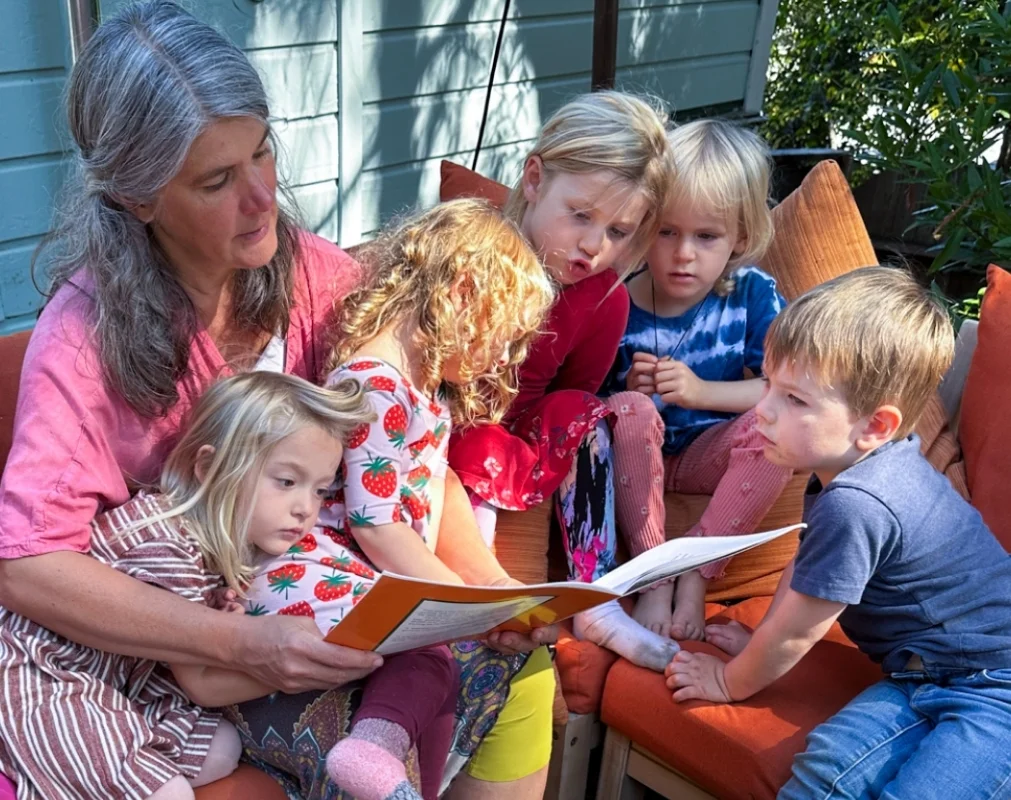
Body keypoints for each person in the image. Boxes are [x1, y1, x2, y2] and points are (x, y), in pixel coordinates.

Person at [0, 3, 555, 798]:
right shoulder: (82, 339)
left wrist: (482, 594)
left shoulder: (322, 279)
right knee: (369, 743)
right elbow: (28, 564)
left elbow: (403, 455)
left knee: (522, 667)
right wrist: (238, 645)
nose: (263, 197)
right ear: (136, 199)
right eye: (218, 180)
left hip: (327, 595)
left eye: (262, 152)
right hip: (199, 643)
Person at [244, 200, 555, 799]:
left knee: (440, 660)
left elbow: (422, 509)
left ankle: (392, 771)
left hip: (348, 571)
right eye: (503, 335)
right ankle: (373, 756)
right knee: (433, 645)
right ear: (463, 294)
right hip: (309, 572)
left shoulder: (414, 388)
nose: (502, 359)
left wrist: (485, 598)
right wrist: (462, 604)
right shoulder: (375, 385)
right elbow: (375, 524)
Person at [667, 267, 1011, 798]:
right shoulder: (852, 471)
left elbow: (800, 629)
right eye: (769, 386)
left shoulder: (860, 501)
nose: (763, 411)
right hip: (921, 676)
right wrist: (759, 640)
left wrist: (727, 682)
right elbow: (808, 577)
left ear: (874, 425)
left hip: (997, 689)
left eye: (794, 400)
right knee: (823, 778)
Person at [0, 371, 373, 799]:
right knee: (169, 791)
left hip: (117, 682)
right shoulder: (165, 543)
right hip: (41, 681)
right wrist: (307, 668)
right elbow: (202, 685)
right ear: (209, 467)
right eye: (286, 482)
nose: (305, 508)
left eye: (321, 490)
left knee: (222, 748)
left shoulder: (208, 544)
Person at [447, 90, 681, 670]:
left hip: (517, 432)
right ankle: (470, 592)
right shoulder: (473, 252)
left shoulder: (603, 297)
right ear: (534, 179)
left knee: (590, 413)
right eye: (581, 215)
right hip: (443, 415)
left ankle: (595, 599)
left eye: (621, 231)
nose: (594, 245)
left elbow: (570, 395)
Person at [600, 119, 793, 647]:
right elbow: (586, 414)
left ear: (741, 238)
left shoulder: (751, 293)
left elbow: (784, 391)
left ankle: (696, 569)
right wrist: (628, 394)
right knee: (629, 410)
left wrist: (701, 392)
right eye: (667, 232)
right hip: (641, 458)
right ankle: (654, 572)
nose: (684, 253)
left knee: (778, 430)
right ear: (644, 227)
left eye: (706, 236)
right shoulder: (616, 299)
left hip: (711, 450)